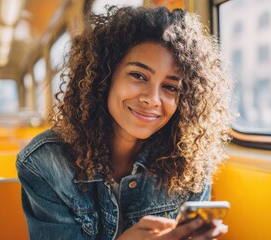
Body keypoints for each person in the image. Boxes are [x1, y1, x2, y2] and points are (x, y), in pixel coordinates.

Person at [16, 5, 232, 240]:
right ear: (105, 77)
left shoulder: (191, 163)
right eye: (138, 76)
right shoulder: (45, 162)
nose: (152, 99)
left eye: (170, 87)